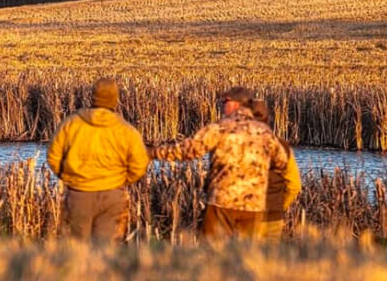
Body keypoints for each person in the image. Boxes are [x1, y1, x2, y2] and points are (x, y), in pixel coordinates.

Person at [150, 86, 290, 240]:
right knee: (248, 255)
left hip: (222, 204)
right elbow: (282, 162)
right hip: (254, 207)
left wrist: (152, 153)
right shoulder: (265, 133)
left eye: (225, 101)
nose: (222, 105)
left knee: (213, 252)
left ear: (237, 104)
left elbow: (188, 151)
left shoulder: (221, 128)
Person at [46, 77, 149, 241]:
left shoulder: (71, 124)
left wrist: (70, 179)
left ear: (92, 96)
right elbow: (140, 164)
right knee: (107, 251)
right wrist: (120, 181)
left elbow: (53, 156)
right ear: (115, 99)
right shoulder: (126, 130)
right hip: (113, 197)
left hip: (78, 195)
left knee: (76, 250)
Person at [249, 98, 301, 239]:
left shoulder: (236, 145)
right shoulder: (282, 146)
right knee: (270, 258)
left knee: (243, 257)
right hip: (273, 216)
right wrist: (279, 205)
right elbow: (294, 186)